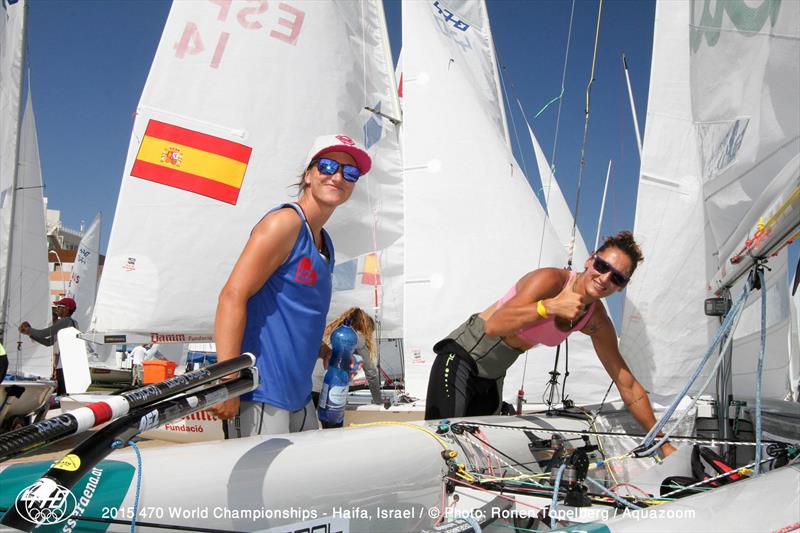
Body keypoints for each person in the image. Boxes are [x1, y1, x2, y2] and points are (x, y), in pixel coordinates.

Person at [425, 231, 676, 456]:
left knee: (480, 455)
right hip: (460, 358)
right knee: (445, 445)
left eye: (618, 278)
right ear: (590, 260)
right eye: (602, 265)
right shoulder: (550, 281)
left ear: (621, 287)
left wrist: (661, 443)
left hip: (492, 377)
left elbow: (627, 384)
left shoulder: (596, 320)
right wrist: (550, 306)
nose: (605, 278)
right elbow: (494, 325)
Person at [209, 134, 371, 437]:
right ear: (308, 175)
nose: (338, 176)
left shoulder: (324, 243)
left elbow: (293, 311)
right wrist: (229, 382)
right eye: (328, 166)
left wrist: (325, 352)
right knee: (260, 487)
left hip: (299, 395)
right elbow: (232, 296)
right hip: (261, 392)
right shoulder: (284, 224)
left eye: (350, 173)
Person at [312, 307, 383, 424]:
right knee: (330, 429)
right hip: (330, 390)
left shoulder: (332, 331)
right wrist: (378, 400)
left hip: (310, 386)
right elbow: (371, 373)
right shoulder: (356, 338)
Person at [18, 297, 78, 394]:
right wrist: (30, 333)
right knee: (65, 391)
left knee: (63, 392)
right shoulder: (72, 322)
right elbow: (48, 342)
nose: (56, 309)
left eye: (59, 306)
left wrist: (28, 330)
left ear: (66, 308)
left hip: (65, 363)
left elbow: (44, 333)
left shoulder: (65, 321)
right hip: (67, 363)